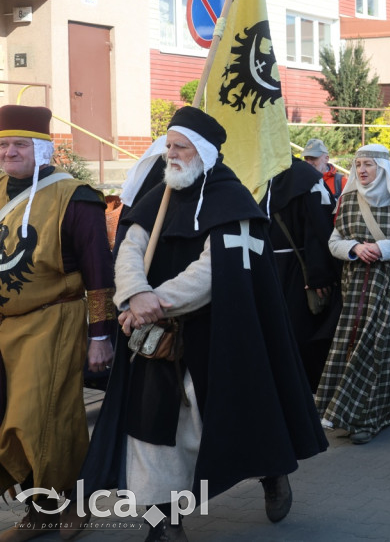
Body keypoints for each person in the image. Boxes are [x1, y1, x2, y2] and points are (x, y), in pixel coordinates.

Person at [79, 107, 327, 540]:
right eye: (168, 146)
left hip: (222, 334)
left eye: (181, 147)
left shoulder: (232, 201)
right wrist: (135, 294)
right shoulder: (160, 196)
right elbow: (131, 249)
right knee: (150, 434)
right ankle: (163, 524)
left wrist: (155, 300)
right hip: (157, 338)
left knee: (240, 420)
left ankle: (271, 472)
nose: (171, 155)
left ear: (205, 153)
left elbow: (216, 271)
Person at [0, 105, 114, 541]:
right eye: (4, 144)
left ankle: (68, 502)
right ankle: (38, 510)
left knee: (39, 419)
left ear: (42, 150)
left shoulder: (75, 196)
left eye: (20, 145)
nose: (10, 152)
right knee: (7, 419)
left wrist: (100, 333)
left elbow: (99, 272)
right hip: (5, 325)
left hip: (55, 320)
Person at [316, 144, 390, 444]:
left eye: (369, 164)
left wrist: (382, 248)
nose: (361, 170)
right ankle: (351, 413)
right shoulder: (347, 200)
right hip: (354, 287)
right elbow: (333, 241)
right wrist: (354, 248)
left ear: (383, 168)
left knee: (380, 350)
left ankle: (374, 416)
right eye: (358, 164)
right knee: (352, 347)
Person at [261, 157, 339, 392]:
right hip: (273, 267)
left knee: (298, 333)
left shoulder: (302, 177)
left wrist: (319, 276)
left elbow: (316, 231)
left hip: (295, 270)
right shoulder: (302, 175)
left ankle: (303, 390)